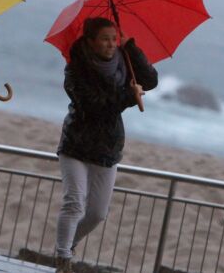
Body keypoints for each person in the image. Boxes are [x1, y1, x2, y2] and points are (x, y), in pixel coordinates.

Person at [53, 17, 158, 272]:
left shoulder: (124, 62)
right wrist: (128, 97)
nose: (111, 44)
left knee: (97, 213)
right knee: (74, 202)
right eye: (104, 39)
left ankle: (68, 245)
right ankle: (63, 258)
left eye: (114, 38)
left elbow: (151, 80)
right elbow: (95, 106)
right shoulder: (76, 69)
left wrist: (131, 47)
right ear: (91, 41)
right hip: (76, 145)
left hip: (107, 147)